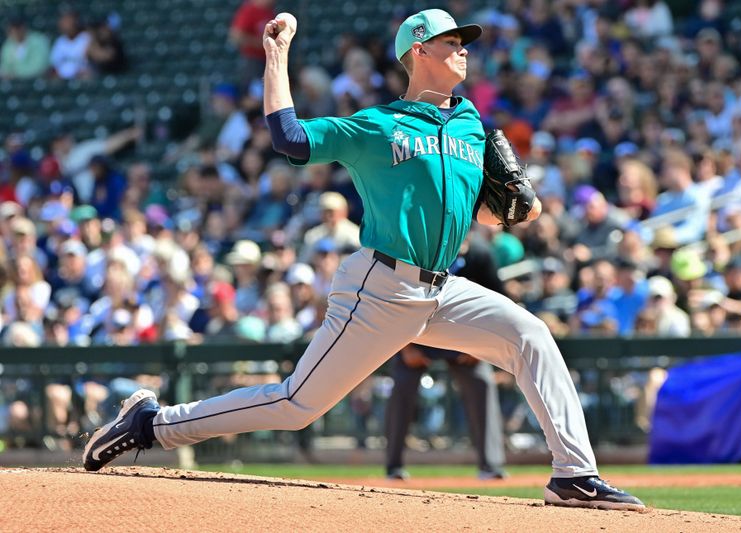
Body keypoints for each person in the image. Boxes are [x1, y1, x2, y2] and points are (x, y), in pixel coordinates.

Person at [83, 9, 644, 511]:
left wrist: (519, 208)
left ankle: (575, 475)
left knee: (530, 336)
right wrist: (276, 56)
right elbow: (290, 138)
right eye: (452, 42)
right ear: (418, 51)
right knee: (296, 404)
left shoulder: (473, 123)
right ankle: (152, 425)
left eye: (464, 42)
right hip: (379, 287)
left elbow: (491, 215)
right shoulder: (379, 125)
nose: (464, 49)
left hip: (442, 288)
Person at [385, 344, 506, 481]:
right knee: (402, 387)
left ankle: (491, 466)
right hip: (419, 337)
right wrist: (405, 348)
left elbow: (486, 321)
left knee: (482, 383)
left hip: (461, 337)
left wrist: (480, 347)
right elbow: (398, 321)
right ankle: (393, 467)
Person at [0, 15, 50, 80]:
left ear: (23, 27)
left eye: (17, 28)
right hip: (13, 85)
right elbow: (4, 68)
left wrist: (15, 74)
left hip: (35, 82)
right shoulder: (8, 45)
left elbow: (39, 68)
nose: (15, 31)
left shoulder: (38, 41)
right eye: (12, 28)